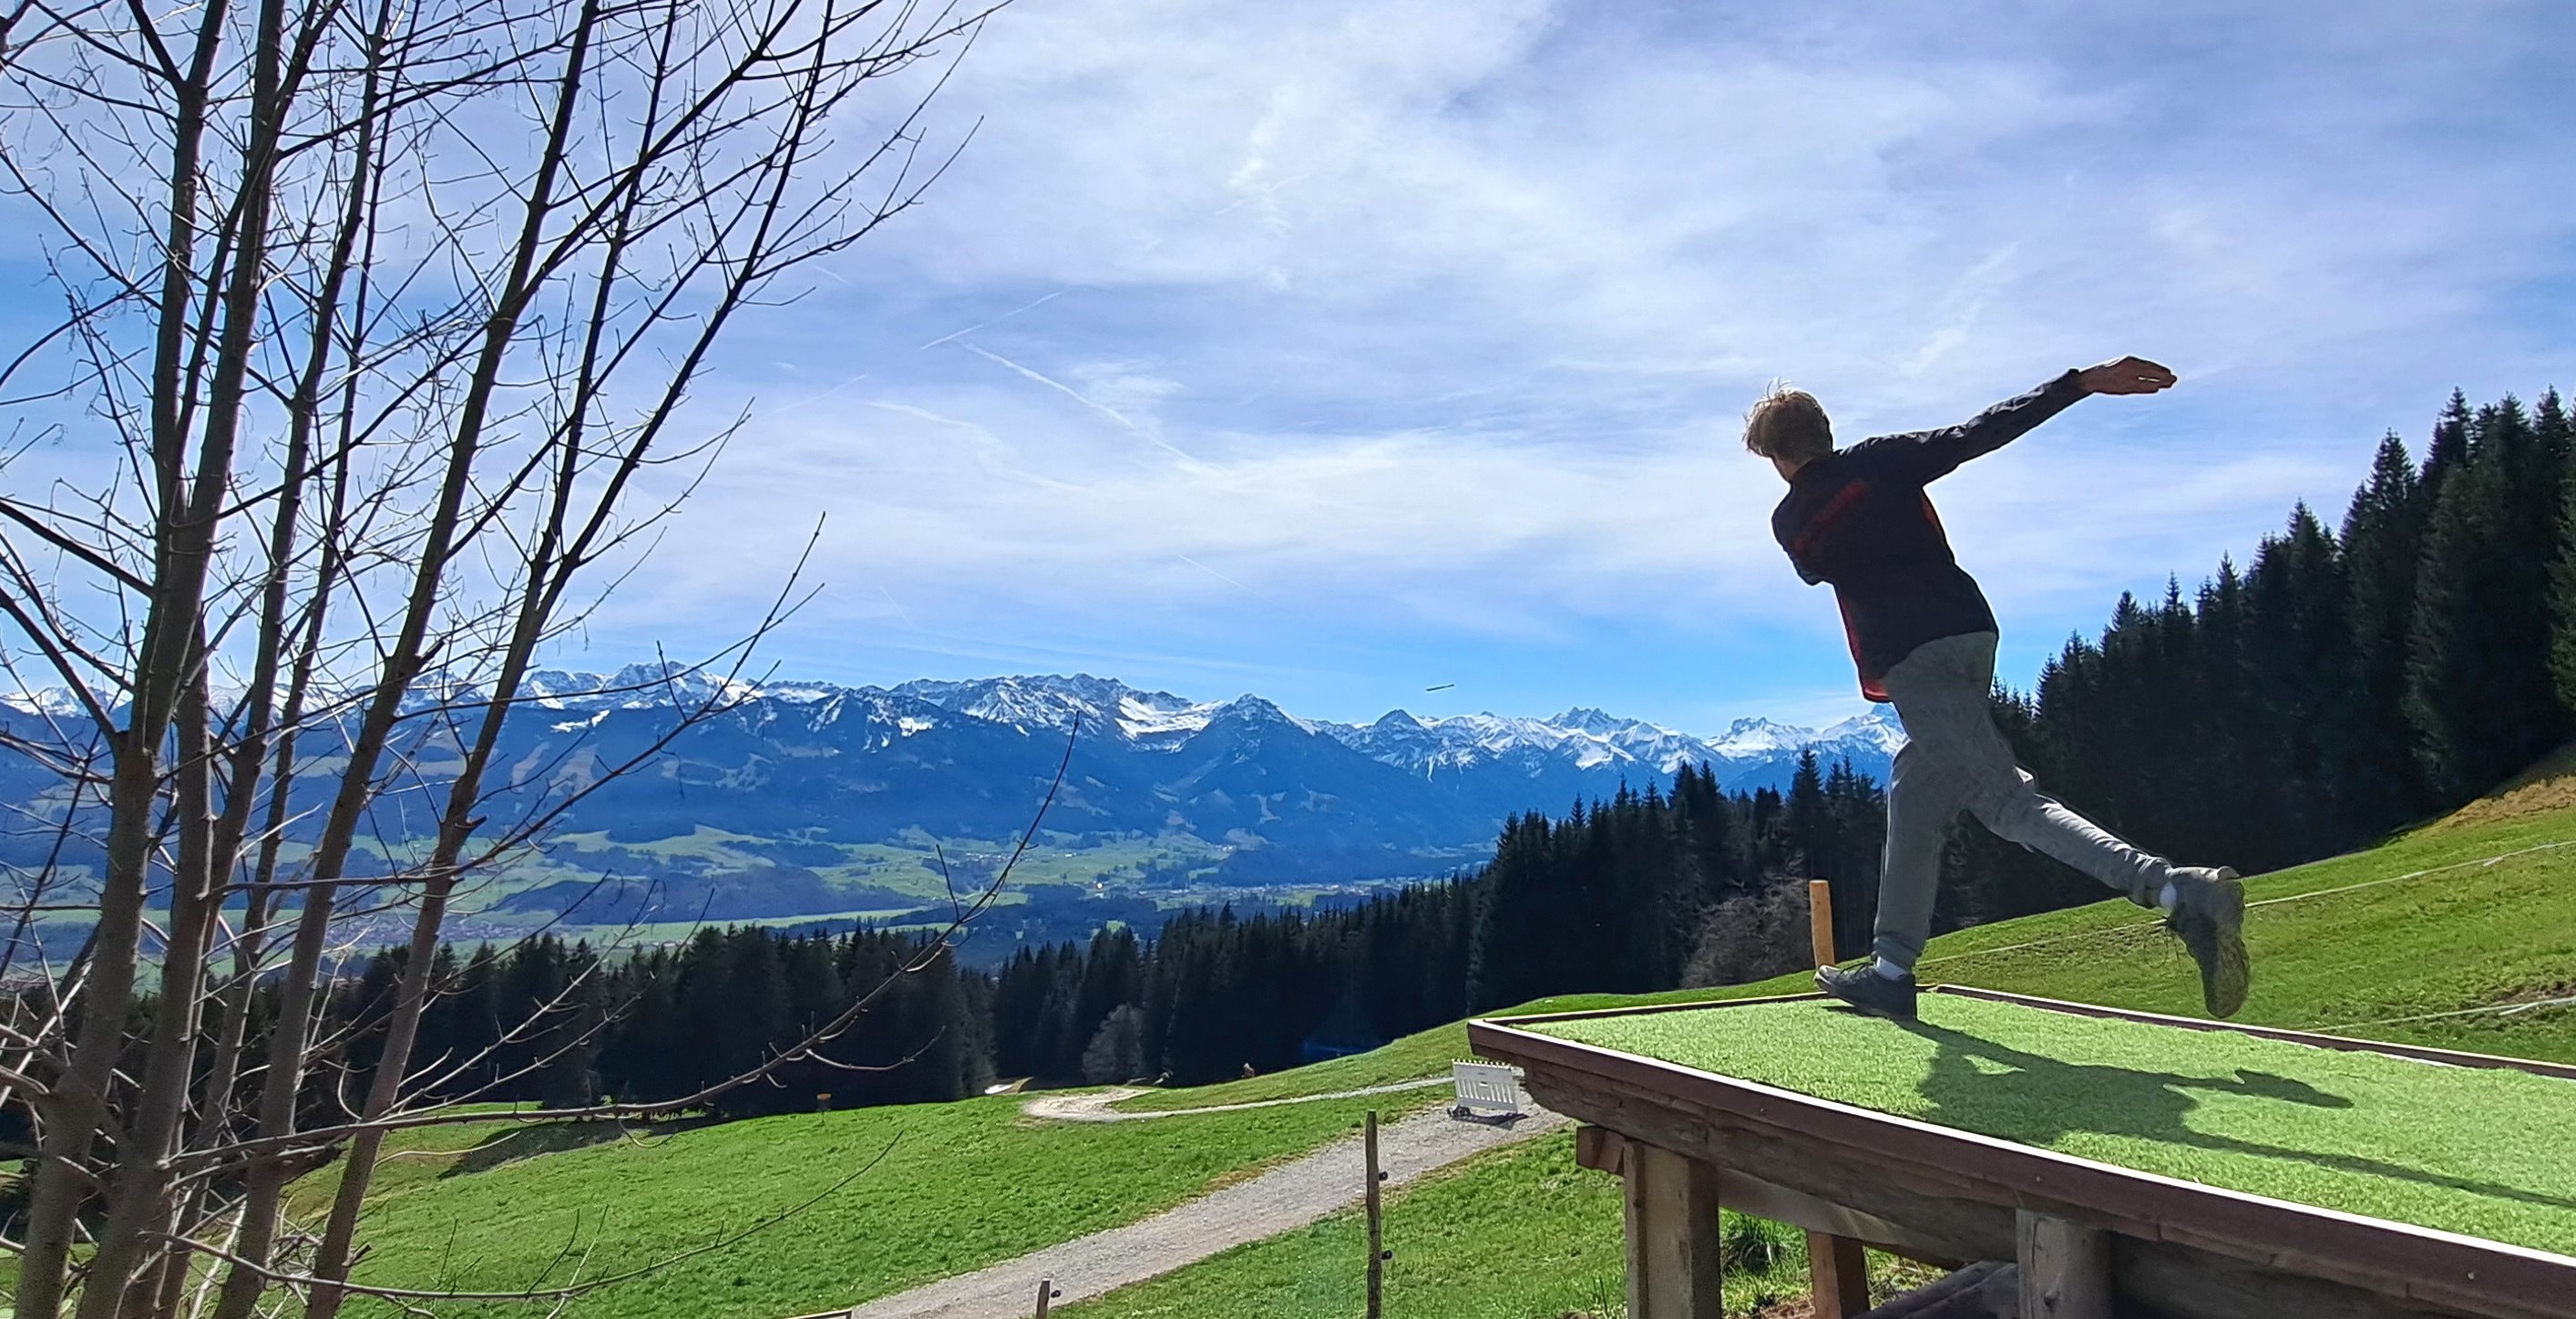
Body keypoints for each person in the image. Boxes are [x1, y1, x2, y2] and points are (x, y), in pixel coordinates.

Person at [1749, 357, 2249, 1020]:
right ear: (1826, 431)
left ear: (1777, 456)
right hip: (1968, 633)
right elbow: (1978, 432)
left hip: (1912, 661)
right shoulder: (1884, 460)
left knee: (2008, 803)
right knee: (1914, 793)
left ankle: (2173, 889)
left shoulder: (1791, 520)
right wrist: (2075, 384)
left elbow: (1815, 571)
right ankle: (1891, 969)